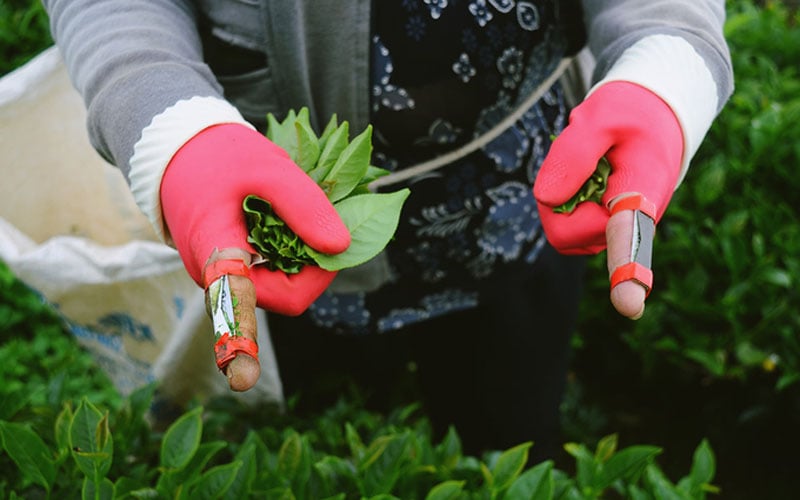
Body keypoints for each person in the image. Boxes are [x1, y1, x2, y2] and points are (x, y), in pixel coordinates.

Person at [42, 0, 733, 461]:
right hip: (279, 228)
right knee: (316, 431)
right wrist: (166, 125)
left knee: (507, 430)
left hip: (520, 211)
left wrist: (667, 71)